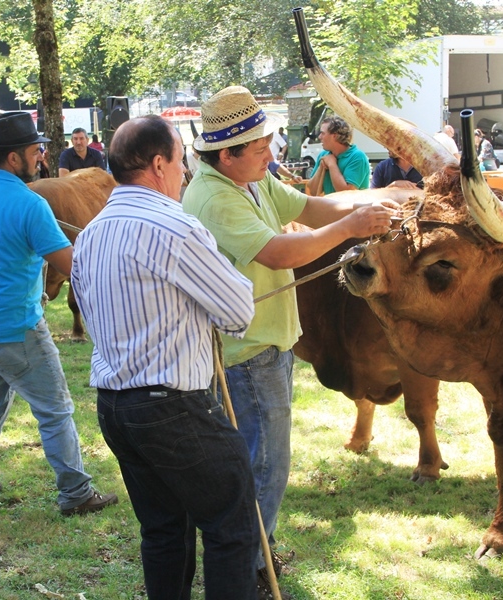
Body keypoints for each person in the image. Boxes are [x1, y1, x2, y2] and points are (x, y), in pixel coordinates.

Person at [181, 86, 397, 599]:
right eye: (260, 148)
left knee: (261, 467)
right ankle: (249, 568)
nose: (271, 153)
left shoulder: (250, 181)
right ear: (226, 154)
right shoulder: (214, 197)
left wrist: (376, 205)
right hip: (247, 355)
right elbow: (279, 252)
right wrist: (353, 224)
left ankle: (254, 554)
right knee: (264, 470)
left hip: (264, 350)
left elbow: (307, 207)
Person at [71, 114, 260, 599]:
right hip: (169, 405)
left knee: (163, 528)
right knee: (230, 522)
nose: (184, 173)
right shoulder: (173, 224)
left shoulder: (92, 233)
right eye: (181, 161)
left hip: (115, 404)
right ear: (158, 164)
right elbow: (239, 309)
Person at [0, 111, 118, 516]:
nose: (41, 156)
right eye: (35, 150)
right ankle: (75, 493)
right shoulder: (29, 203)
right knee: (55, 409)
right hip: (14, 325)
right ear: (14, 158)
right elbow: (73, 265)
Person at [304, 115, 370, 196]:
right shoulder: (323, 155)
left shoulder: (358, 157)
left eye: (322, 133)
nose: (319, 137)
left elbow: (346, 195)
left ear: (335, 136)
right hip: (330, 208)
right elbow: (313, 191)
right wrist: (321, 167)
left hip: (355, 209)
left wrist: (332, 164)